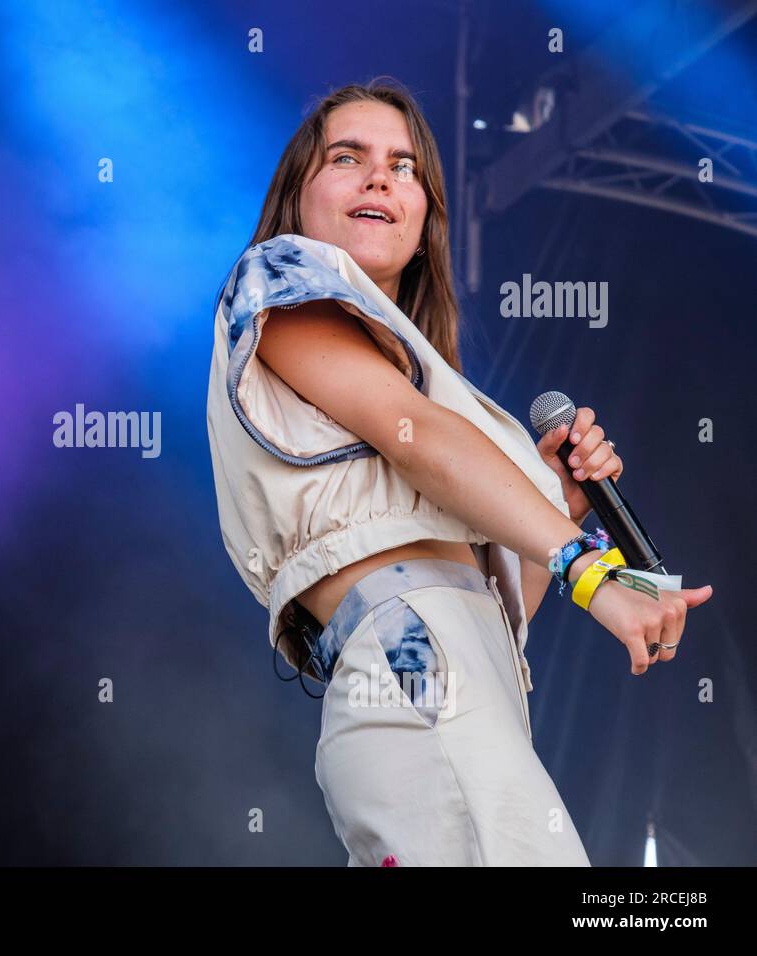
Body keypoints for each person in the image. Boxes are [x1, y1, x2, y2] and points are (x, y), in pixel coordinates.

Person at [205, 79, 713, 866]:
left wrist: (559, 506)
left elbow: (493, 615)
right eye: (348, 157)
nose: (380, 177)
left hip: (458, 680)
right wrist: (591, 572)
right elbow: (418, 444)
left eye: (405, 167)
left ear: (424, 220)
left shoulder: (429, 381)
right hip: (413, 664)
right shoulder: (274, 280)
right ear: (297, 198)